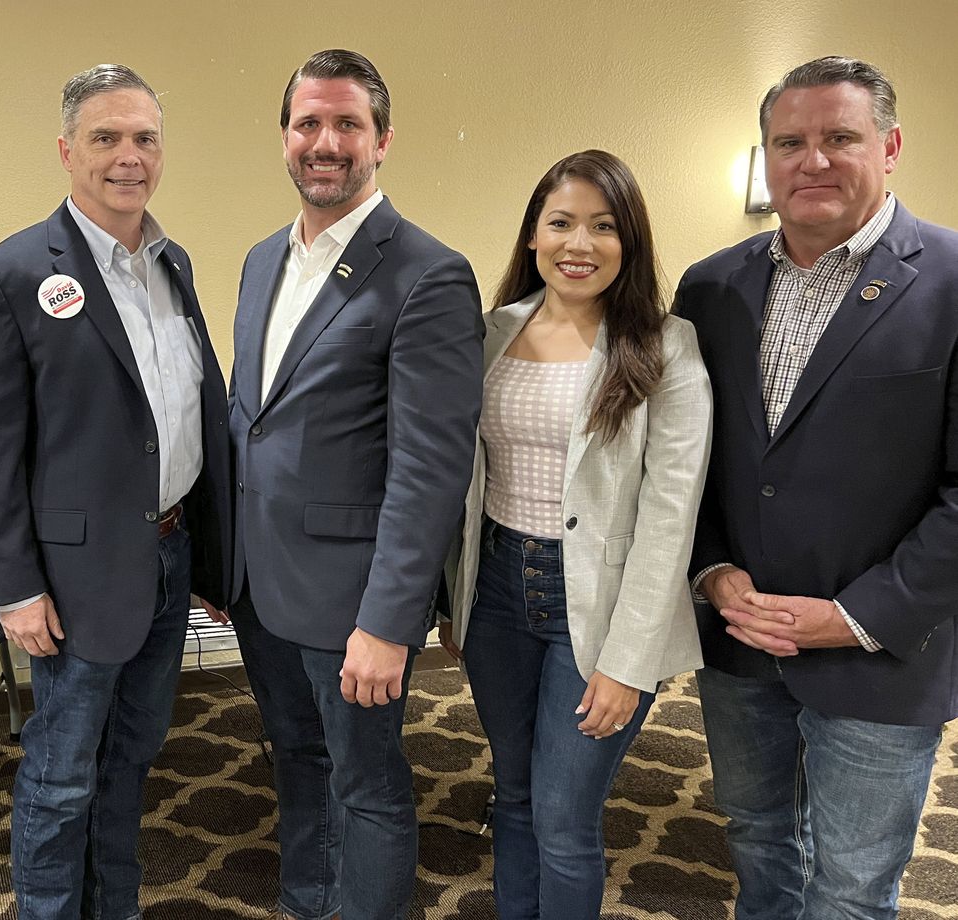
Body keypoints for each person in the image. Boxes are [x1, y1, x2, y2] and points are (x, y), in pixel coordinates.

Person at [675, 56, 958, 920]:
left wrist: (850, 617)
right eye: (789, 142)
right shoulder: (709, 286)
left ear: (892, 145)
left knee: (852, 887)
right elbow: (689, 462)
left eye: (840, 137)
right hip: (740, 639)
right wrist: (715, 572)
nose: (813, 160)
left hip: (880, 653)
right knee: (759, 838)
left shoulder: (951, 282)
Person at [0, 64, 231, 920]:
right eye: (106, 138)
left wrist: (214, 560)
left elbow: (184, 412)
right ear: (68, 150)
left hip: (167, 552)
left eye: (145, 138)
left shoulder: (170, 261)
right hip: (69, 581)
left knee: (132, 760)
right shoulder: (7, 276)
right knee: (62, 770)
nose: (128, 157)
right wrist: (14, 587)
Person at [226, 49, 482, 920]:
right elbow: (248, 419)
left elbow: (429, 467)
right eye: (308, 123)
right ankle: (308, 903)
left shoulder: (427, 273)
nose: (324, 142)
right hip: (261, 587)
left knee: (366, 785)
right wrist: (227, 564)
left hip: (353, 602)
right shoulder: (264, 259)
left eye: (346, 124)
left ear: (383, 141)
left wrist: (389, 621)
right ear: (286, 137)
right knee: (294, 763)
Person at [440, 150, 711, 919]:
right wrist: (454, 601)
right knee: (515, 795)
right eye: (560, 223)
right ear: (532, 237)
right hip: (496, 591)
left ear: (630, 243)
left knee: (564, 817)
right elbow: (466, 484)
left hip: (599, 607)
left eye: (603, 226)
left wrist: (628, 663)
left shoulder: (667, 346)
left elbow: (670, 517)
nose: (579, 244)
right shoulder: (491, 333)